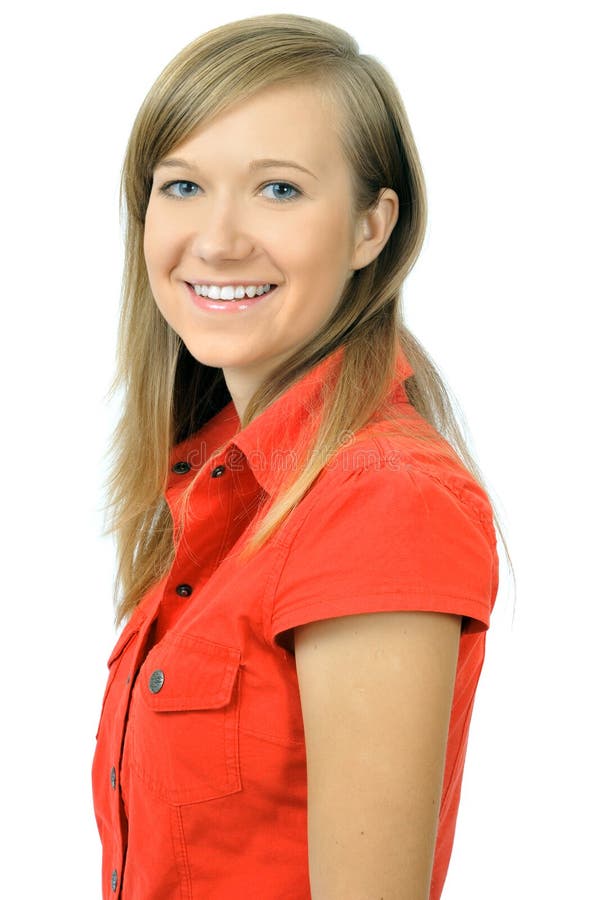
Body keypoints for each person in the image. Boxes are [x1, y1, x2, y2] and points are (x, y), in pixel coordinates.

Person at [92, 13, 510, 899]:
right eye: (182, 185)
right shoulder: (211, 483)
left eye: (278, 190)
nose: (217, 238)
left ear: (371, 228)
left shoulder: (381, 503)